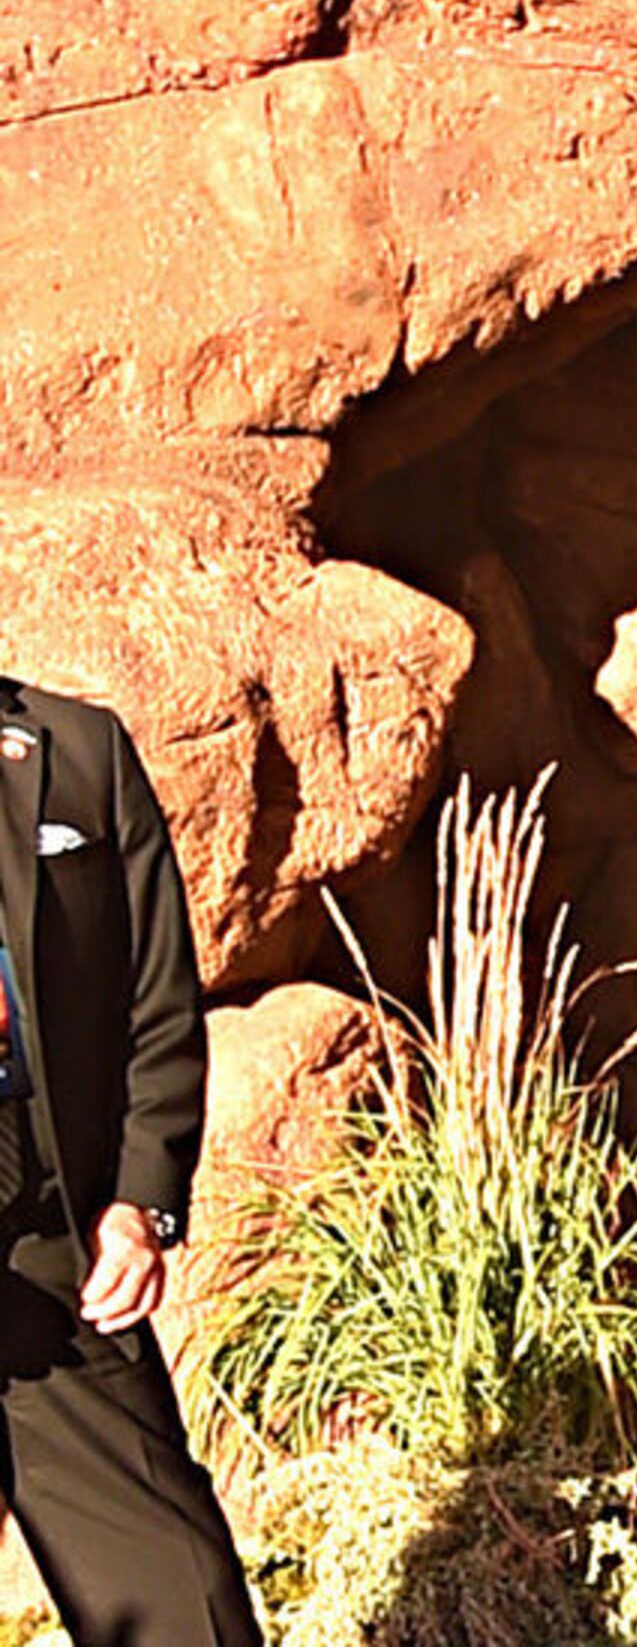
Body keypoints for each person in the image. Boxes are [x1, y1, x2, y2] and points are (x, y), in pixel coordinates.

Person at [0, 674, 266, 1647]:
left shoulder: (79, 749)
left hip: (54, 1250)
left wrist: (139, 1204)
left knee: (187, 1607)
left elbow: (157, 1000)